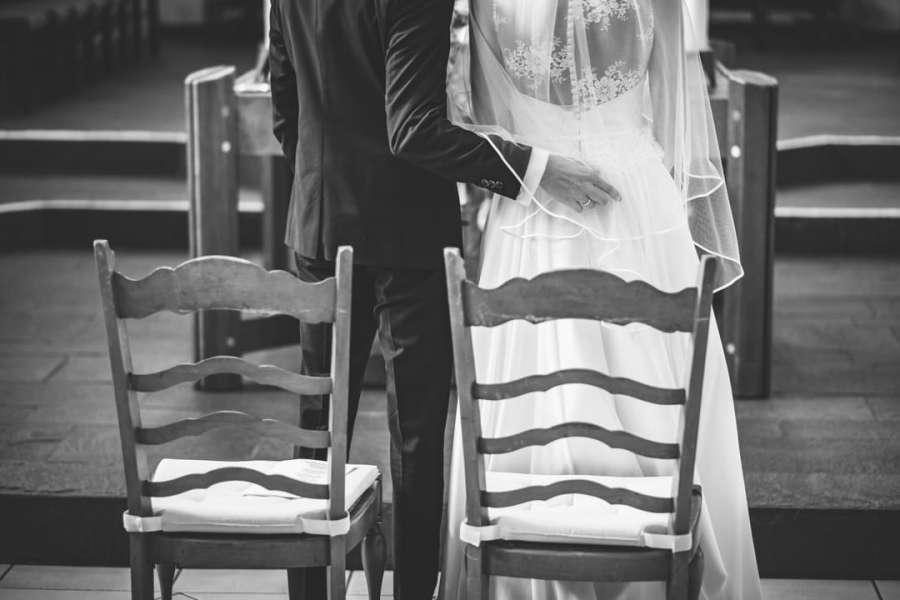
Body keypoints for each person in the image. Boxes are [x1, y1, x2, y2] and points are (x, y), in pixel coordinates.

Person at [267, 1, 616, 598]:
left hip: (319, 222)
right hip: (406, 232)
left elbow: (286, 109)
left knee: (318, 426)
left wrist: (322, 184)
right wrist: (535, 168)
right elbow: (412, 129)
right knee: (417, 437)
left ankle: (306, 592)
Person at [439, 0, 763, 599]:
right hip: (637, 202)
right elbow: (675, 119)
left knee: (531, 384)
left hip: (533, 206)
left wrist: (543, 153)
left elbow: (486, 116)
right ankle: (664, 549)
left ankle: (525, 555)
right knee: (664, 373)